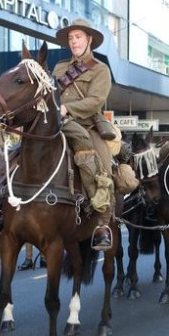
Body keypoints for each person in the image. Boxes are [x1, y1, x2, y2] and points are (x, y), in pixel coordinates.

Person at [52, 18, 115, 250]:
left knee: (103, 166)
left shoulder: (100, 69)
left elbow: (95, 100)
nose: (74, 41)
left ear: (89, 40)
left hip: (87, 126)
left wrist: (68, 108)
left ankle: (102, 224)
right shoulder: (59, 68)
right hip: (58, 124)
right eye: (71, 38)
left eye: (78, 37)